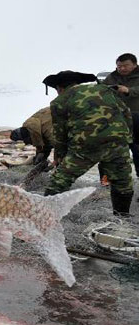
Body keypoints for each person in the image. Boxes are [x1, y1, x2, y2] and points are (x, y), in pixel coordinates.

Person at [43, 70, 134, 216]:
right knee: (122, 182)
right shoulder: (105, 89)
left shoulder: (59, 101)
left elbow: (60, 133)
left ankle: (45, 215)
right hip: (116, 142)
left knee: (60, 180)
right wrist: (127, 137)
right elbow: (126, 112)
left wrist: (60, 156)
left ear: (59, 88)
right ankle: (122, 216)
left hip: (84, 147)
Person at [103, 52, 139, 176]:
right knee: (111, 150)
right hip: (116, 118)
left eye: (125, 65)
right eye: (119, 66)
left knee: (137, 149)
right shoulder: (111, 77)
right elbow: (100, 92)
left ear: (134, 65)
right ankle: (107, 180)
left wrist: (129, 90)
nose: (122, 68)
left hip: (137, 118)